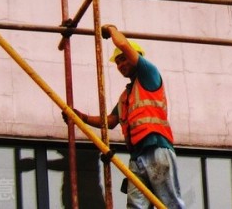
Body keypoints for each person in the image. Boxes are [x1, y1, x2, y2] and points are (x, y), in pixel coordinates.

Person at [70, 25, 185, 208]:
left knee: (169, 202)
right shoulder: (127, 96)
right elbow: (111, 121)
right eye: (117, 62)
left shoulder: (149, 74)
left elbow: (123, 43)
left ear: (135, 56)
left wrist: (111, 29)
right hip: (137, 156)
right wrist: (82, 117)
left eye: (123, 59)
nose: (121, 65)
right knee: (135, 205)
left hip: (156, 149)